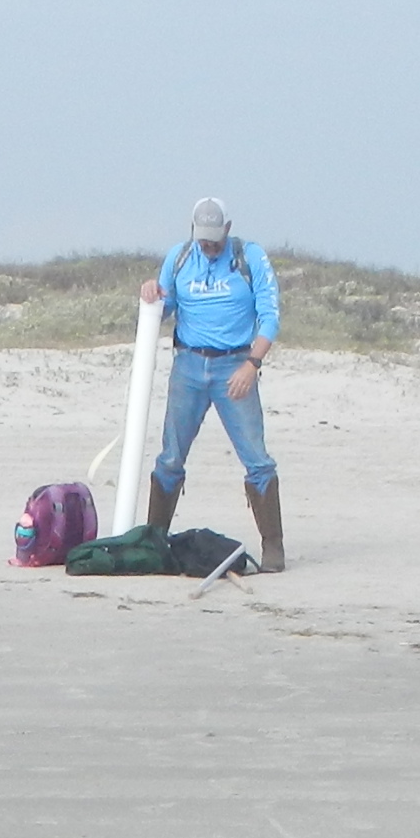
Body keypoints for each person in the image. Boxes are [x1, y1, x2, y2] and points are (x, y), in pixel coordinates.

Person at [140, 198, 284, 571]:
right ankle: (154, 543)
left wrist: (252, 364)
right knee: (170, 457)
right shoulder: (181, 256)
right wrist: (153, 294)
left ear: (228, 228)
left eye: (214, 239)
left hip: (236, 366)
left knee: (256, 459)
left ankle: (273, 546)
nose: (209, 246)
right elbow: (166, 307)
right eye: (203, 239)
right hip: (188, 366)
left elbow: (269, 316)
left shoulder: (249, 258)